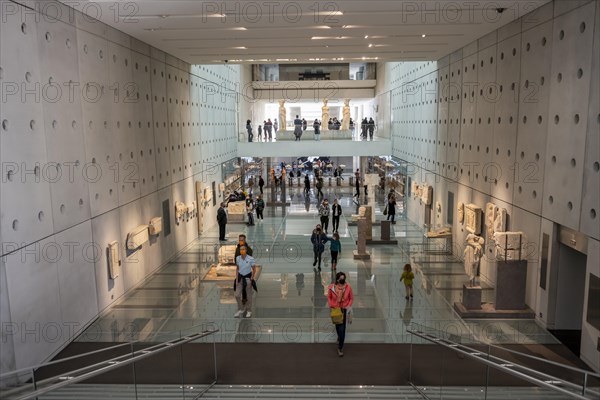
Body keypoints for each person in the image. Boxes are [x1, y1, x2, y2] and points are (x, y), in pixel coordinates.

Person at [328, 271, 354, 357]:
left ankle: (340, 348)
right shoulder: (332, 287)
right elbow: (329, 297)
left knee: (342, 329)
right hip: (335, 309)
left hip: (344, 310)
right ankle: (339, 337)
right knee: (337, 326)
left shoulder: (348, 287)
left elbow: (351, 298)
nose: (343, 280)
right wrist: (331, 305)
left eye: (344, 278)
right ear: (338, 279)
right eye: (341, 278)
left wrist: (349, 306)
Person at [234, 245, 257, 318]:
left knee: (249, 296)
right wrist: (237, 279)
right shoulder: (238, 258)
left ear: (246, 250)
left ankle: (249, 310)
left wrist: (252, 278)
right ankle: (241, 308)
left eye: (243, 249)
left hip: (247, 279)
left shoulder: (251, 259)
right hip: (240, 279)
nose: (242, 251)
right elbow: (237, 268)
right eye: (240, 249)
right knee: (237, 295)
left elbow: (254, 269)